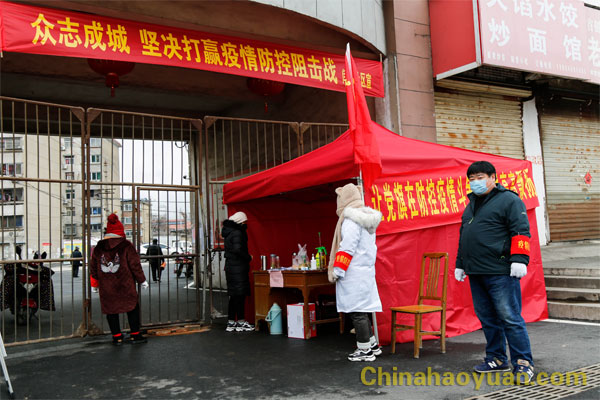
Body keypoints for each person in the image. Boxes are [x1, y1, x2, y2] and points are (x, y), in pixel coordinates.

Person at [455, 161, 534, 384]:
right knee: (487, 318)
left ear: (493, 177)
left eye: (480, 177)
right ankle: (497, 358)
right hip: (476, 271)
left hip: (500, 271)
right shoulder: (471, 205)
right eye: (471, 179)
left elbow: (521, 230)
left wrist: (519, 259)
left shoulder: (509, 200)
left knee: (509, 317)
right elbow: (465, 236)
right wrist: (461, 264)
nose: (475, 182)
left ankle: (523, 363)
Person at [328, 183, 382, 362]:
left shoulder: (351, 220)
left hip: (353, 273)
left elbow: (347, 247)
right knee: (363, 310)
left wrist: (337, 269)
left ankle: (364, 350)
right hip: (365, 271)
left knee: (357, 312)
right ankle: (372, 345)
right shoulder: (366, 219)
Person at [90, 213, 149, 345]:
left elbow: (93, 267)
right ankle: (135, 335)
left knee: (111, 309)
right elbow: (135, 265)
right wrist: (142, 280)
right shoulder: (126, 245)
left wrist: (94, 284)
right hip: (125, 284)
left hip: (107, 286)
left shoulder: (99, 247)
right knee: (132, 307)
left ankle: (117, 337)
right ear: (121, 231)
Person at [222, 211, 254, 332]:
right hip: (238, 267)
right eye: (244, 221)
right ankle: (240, 322)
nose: (246, 224)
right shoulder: (237, 233)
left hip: (231, 266)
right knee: (240, 295)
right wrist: (248, 257)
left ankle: (231, 322)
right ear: (240, 222)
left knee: (234, 295)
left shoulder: (229, 232)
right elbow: (238, 250)